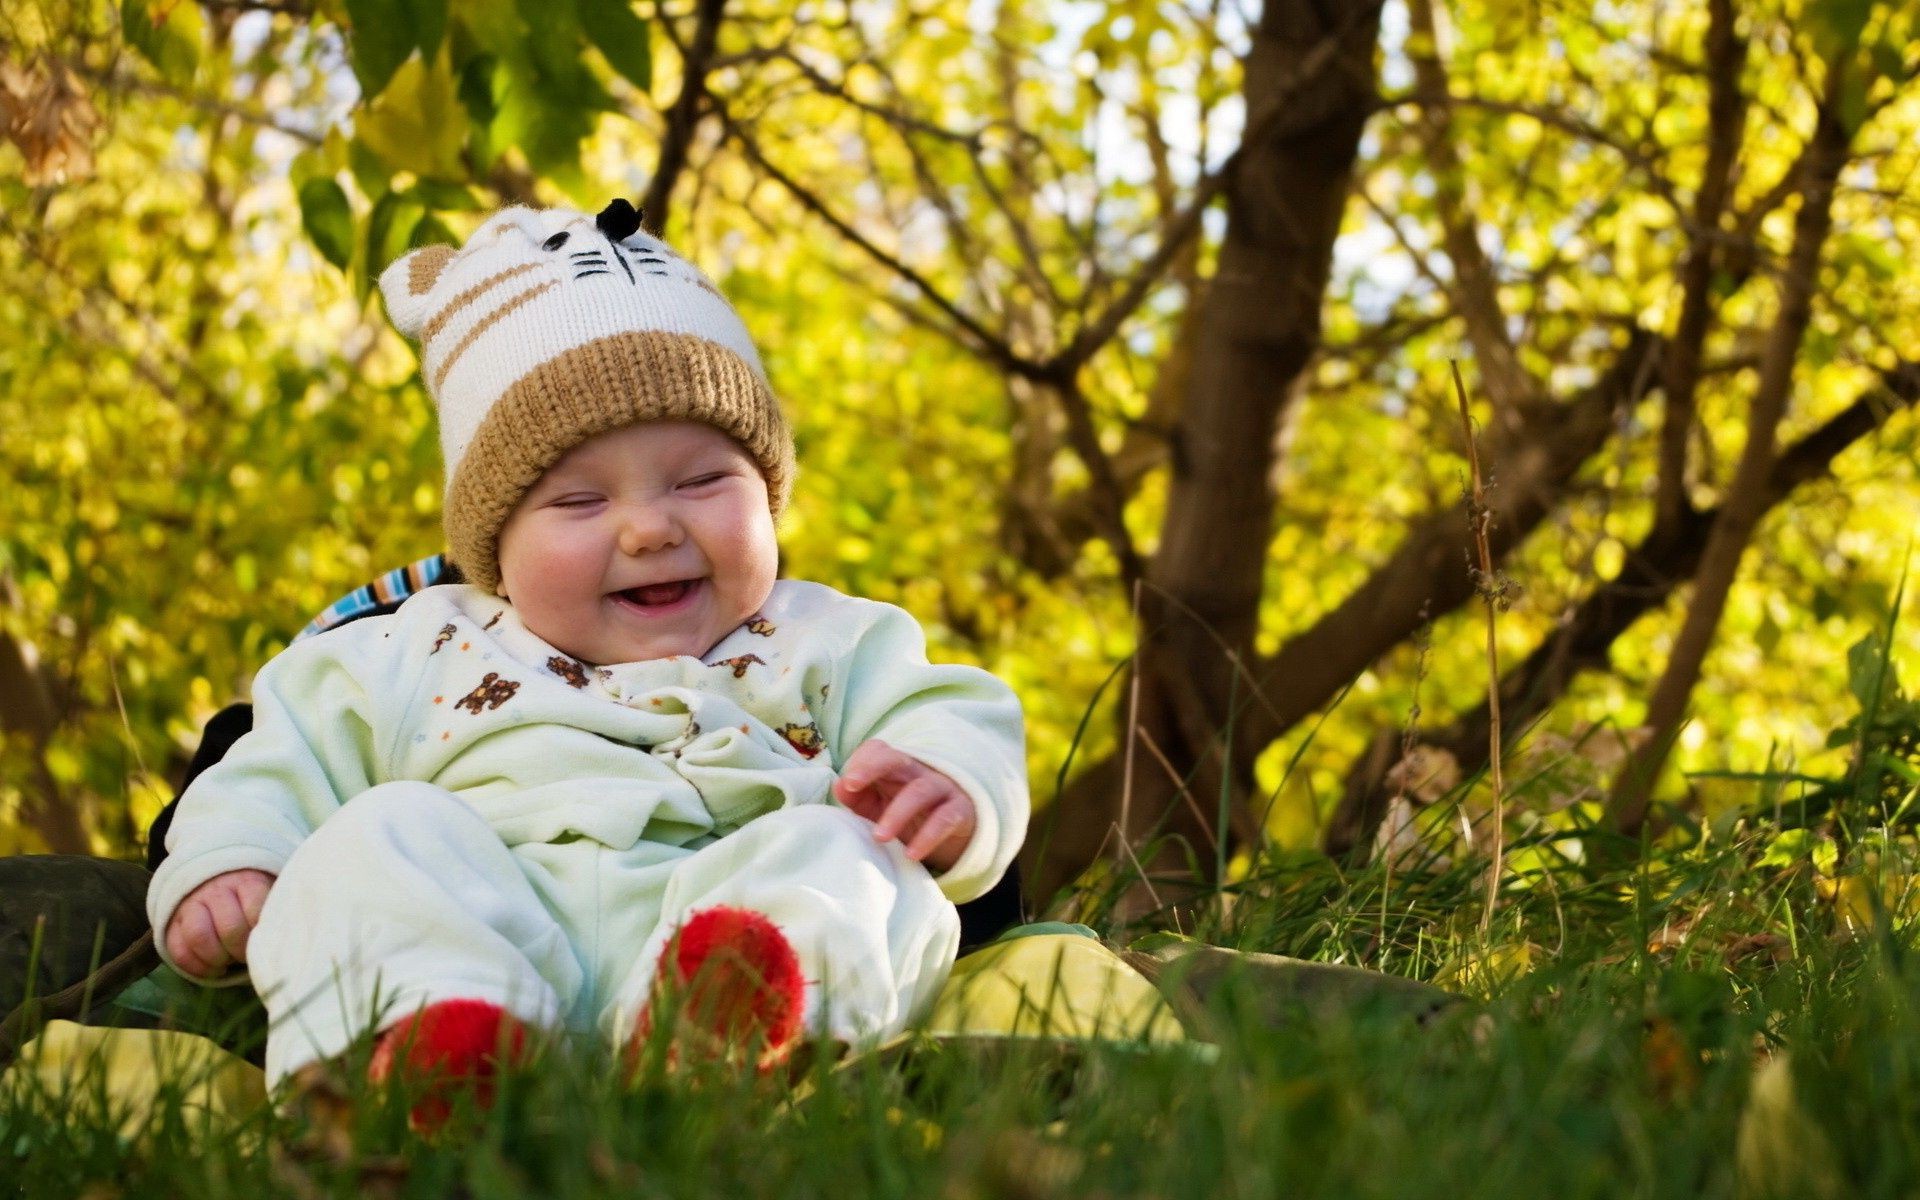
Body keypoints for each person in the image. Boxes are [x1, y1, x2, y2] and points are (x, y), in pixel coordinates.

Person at [145, 200, 1029, 1099]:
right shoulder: (413, 647)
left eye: (702, 480)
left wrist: (948, 779)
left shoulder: (828, 637)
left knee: (854, 857)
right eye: (577, 503)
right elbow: (276, 760)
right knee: (375, 838)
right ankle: (440, 1049)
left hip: (727, 911)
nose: (651, 527)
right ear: (494, 547)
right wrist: (232, 864)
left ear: (768, 497)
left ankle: (735, 1029)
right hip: (488, 927)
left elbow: (949, 709)